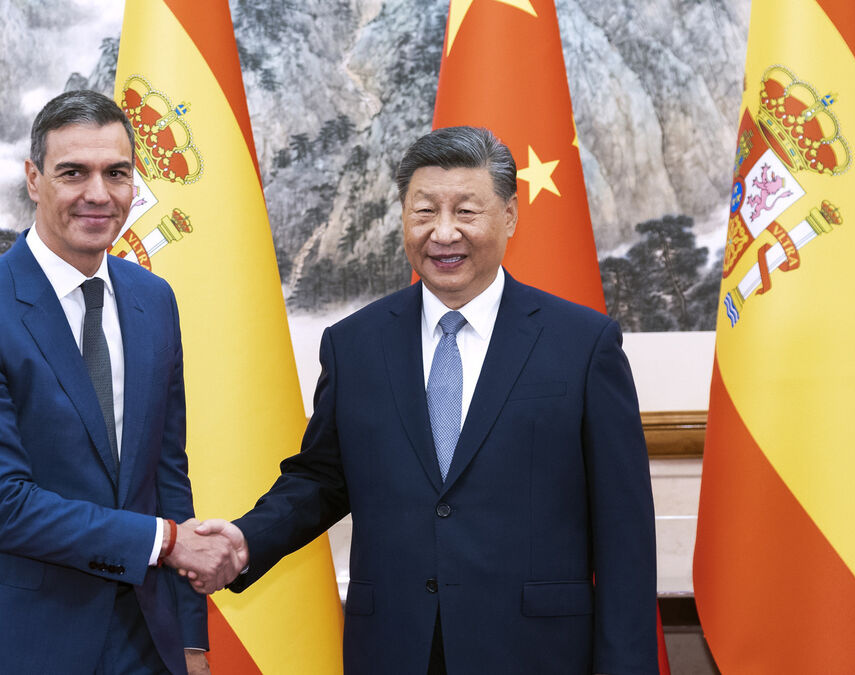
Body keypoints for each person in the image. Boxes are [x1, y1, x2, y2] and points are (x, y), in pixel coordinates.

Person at [197, 126, 658, 674]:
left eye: (466, 211)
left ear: (510, 215)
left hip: (536, 652)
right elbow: (321, 478)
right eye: (424, 212)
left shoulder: (582, 344)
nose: (443, 233)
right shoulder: (354, 345)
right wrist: (246, 540)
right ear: (403, 217)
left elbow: (625, 532)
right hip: (395, 648)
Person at [0, 90, 240, 675]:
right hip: (15, 644)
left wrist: (191, 637)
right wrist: (167, 542)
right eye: (73, 173)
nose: (99, 194)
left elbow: (167, 474)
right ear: (34, 179)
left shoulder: (154, 301)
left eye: (116, 173)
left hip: (144, 642)